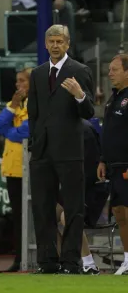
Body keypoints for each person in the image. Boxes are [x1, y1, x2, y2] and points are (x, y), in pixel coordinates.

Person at [28, 24, 94, 274]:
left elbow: (88, 112)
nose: (55, 45)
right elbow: (33, 113)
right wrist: (34, 143)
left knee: (74, 208)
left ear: (68, 44)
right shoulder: (37, 73)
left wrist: (80, 95)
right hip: (42, 151)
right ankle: (47, 262)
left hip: (70, 150)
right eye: (51, 41)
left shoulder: (80, 70)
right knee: (42, 207)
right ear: (45, 44)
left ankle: (71, 262)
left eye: (60, 42)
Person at [0, 68, 31, 272]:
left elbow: (26, 132)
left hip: (29, 168)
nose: (18, 85)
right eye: (17, 81)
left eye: (23, 81)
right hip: (13, 168)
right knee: (17, 216)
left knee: (30, 216)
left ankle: (31, 256)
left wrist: (9, 132)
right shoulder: (14, 104)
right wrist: (14, 106)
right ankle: (19, 258)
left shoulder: (35, 104)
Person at [56, 119, 103, 275]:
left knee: (68, 215)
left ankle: (89, 264)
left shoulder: (84, 130)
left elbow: (91, 169)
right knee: (45, 213)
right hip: (72, 188)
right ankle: (61, 261)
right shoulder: (62, 127)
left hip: (91, 189)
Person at [98, 53, 128, 275]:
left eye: (114, 69)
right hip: (113, 165)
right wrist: (102, 159)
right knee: (119, 212)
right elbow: (108, 131)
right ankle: (127, 258)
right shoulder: (113, 97)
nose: (109, 73)